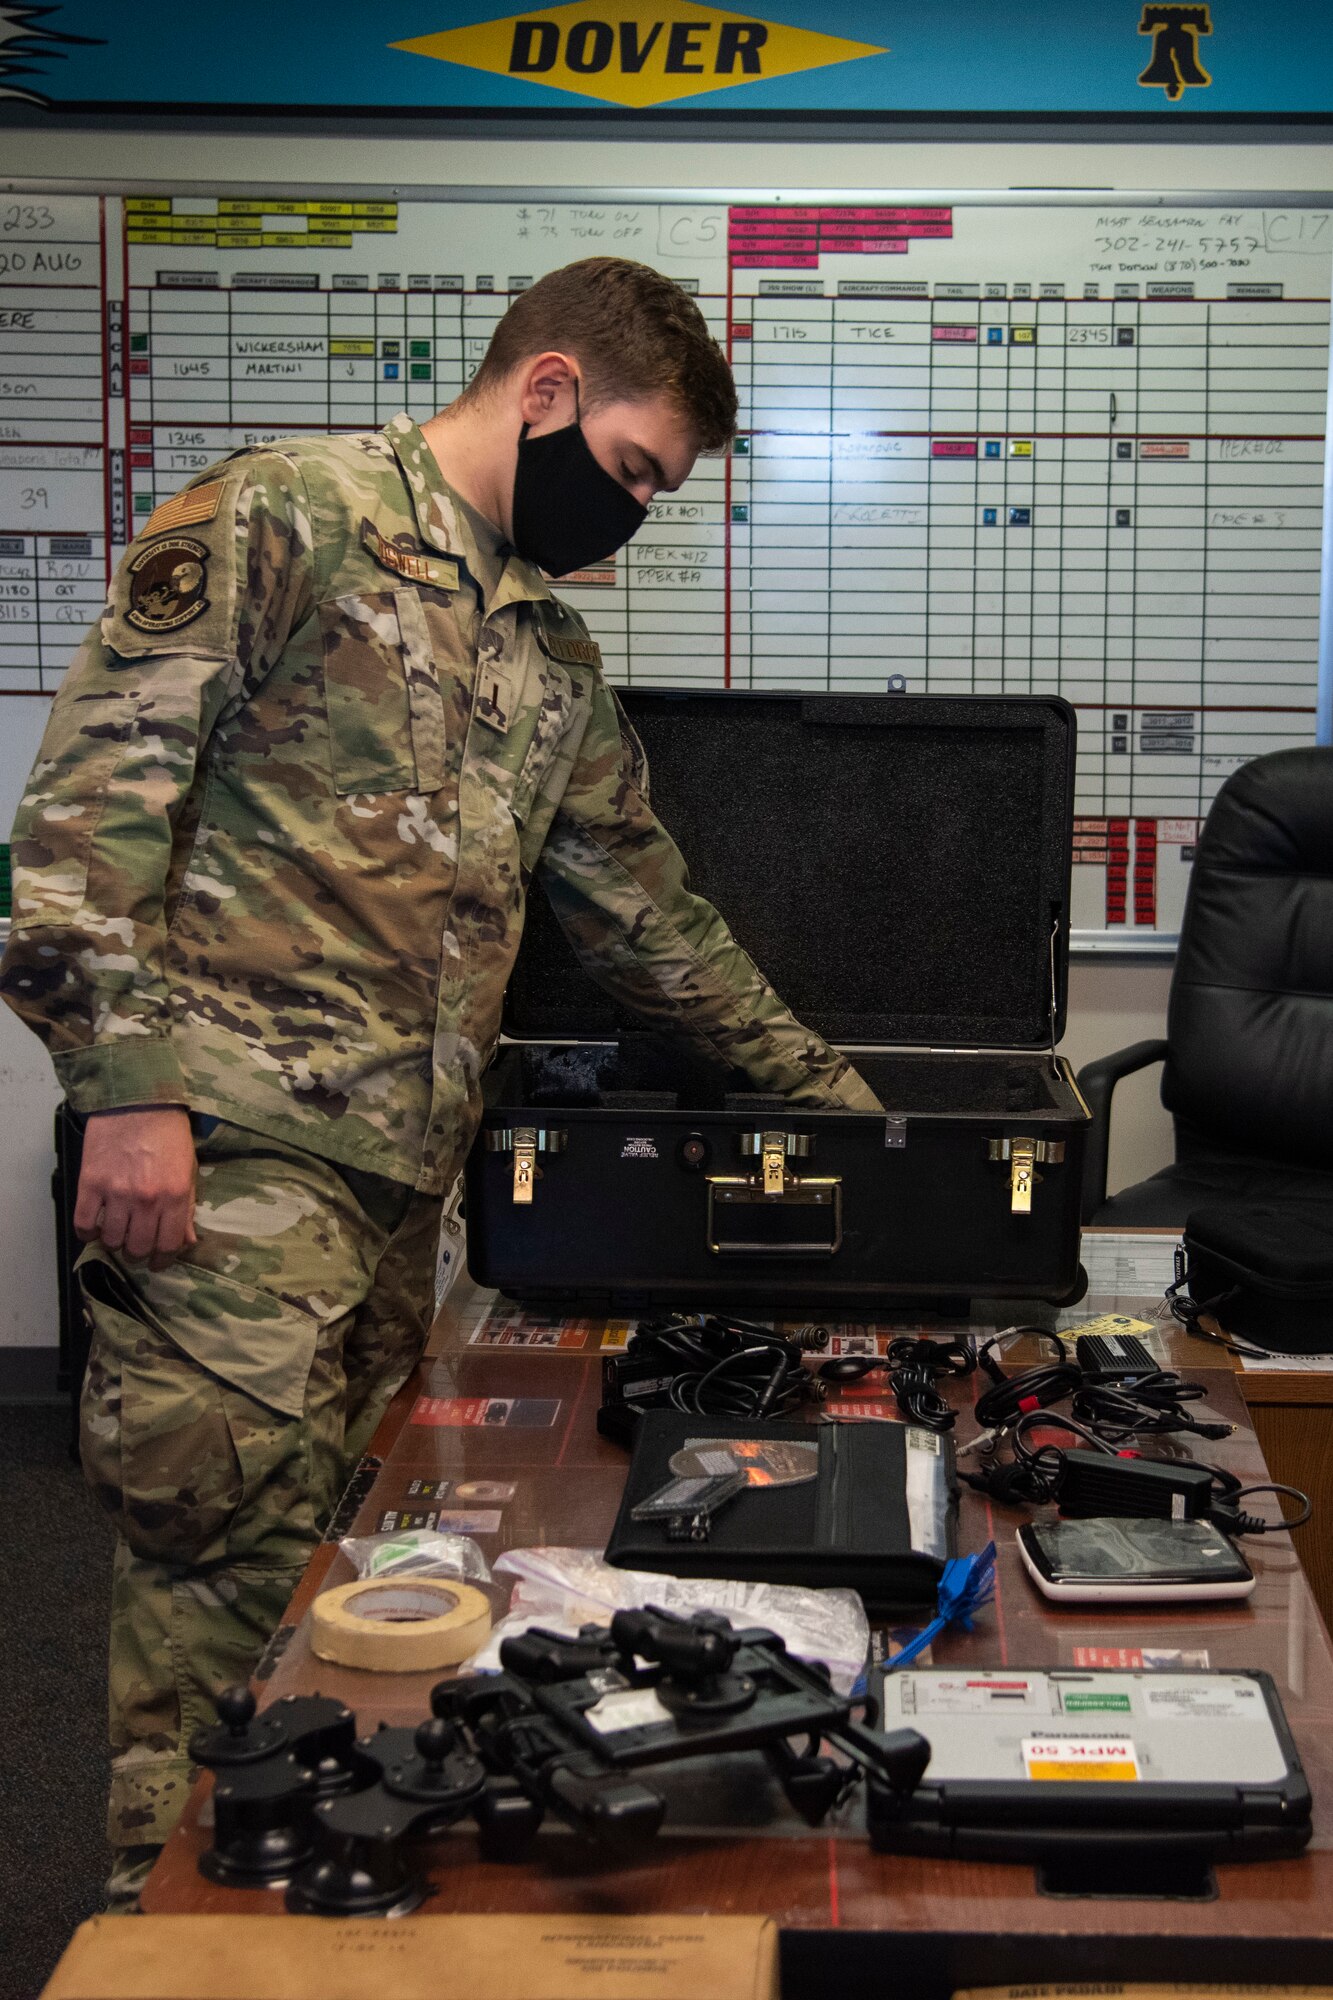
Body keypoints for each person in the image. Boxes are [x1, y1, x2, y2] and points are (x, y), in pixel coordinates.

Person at [0, 256, 879, 1905]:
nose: (627, 515)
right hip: (230, 1162)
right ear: (544, 388)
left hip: (401, 1193)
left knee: (342, 1596)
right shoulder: (289, 514)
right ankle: (159, 1931)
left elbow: (649, 921)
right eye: (629, 471)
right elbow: (75, 831)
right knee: (212, 1598)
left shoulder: (542, 650)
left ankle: (300, 1915)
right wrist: (126, 1097)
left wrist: (842, 1110)